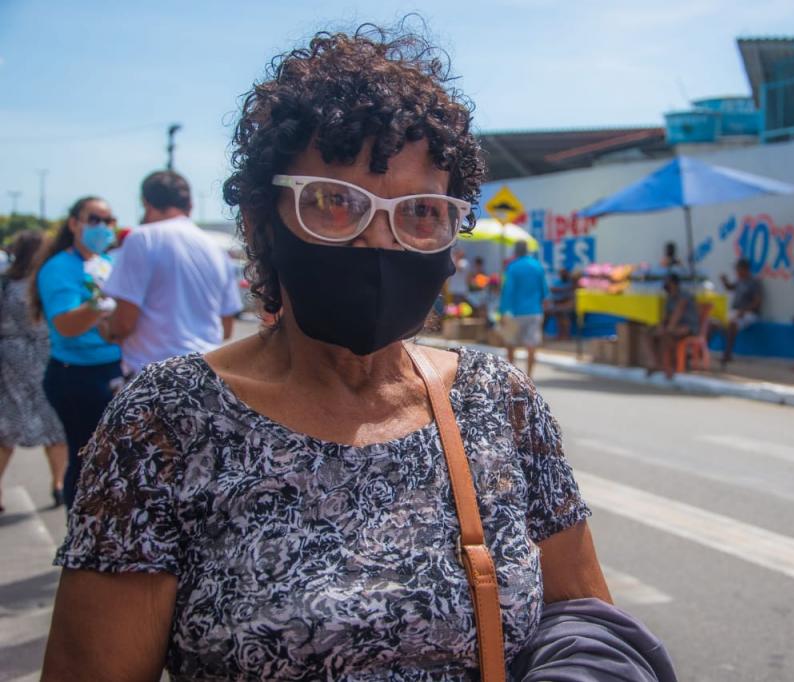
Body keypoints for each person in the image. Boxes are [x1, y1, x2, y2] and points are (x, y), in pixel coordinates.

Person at [42, 27, 643, 682]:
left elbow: (583, 616)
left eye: (420, 211)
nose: (378, 240)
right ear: (262, 222)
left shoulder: (500, 401)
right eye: (334, 203)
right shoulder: (164, 421)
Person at [98, 171, 243, 377]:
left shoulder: (142, 238)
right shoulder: (216, 249)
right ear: (190, 205)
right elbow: (226, 328)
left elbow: (123, 324)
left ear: (146, 203)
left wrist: (105, 327)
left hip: (154, 379)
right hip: (205, 376)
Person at [30, 197, 122, 512]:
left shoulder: (107, 263)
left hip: (113, 369)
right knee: (86, 460)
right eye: (94, 219)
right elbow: (66, 325)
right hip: (77, 376)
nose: (103, 227)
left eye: (108, 220)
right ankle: (80, 531)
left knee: (113, 462)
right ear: (74, 224)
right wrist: (100, 302)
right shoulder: (60, 268)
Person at [0, 231, 68, 511]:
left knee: (6, 426)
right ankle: (58, 484)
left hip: (10, 357)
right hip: (46, 354)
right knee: (54, 424)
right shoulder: (46, 281)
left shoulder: (5, 283)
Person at [499, 240, 550, 377]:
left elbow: (507, 291)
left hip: (514, 312)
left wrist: (503, 312)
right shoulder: (537, 266)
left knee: (510, 344)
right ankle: (529, 376)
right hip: (534, 311)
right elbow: (544, 290)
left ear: (515, 251)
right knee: (531, 345)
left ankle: (512, 376)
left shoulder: (512, 267)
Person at [644, 273, 698, 378]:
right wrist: (661, 327)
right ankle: (655, 363)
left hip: (689, 327)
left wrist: (668, 328)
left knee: (667, 335)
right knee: (649, 333)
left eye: (667, 283)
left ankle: (669, 366)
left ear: (673, 284)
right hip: (674, 327)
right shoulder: (669, 298)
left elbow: (678, 312)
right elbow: (666, 317)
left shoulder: (684, 295)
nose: (665, 285)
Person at [719, 258, 763, 366]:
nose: (736, 272)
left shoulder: (754, 283)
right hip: (735, 311)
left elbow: (757, 302)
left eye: (738, 269)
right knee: (715, 323)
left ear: (745, 269)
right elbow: (730, 287)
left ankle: (727, 354)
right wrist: (724, 281)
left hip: (748, 313)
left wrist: (744, 310)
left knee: (733, 325)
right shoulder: (739, 281)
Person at [545, 267, 577, 340]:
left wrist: (561, 290)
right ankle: (559, 334)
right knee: (551, 313)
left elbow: (571, 295)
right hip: (557, 304)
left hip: (568, 305)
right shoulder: (557, 282)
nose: (563, 275)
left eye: (564, 273)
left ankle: (566, 335)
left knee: (563, 313)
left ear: (568, 274)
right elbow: (552, 289)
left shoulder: (572, 283)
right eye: (561, 274)